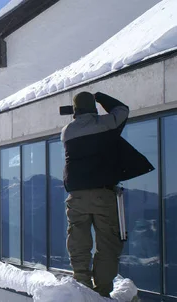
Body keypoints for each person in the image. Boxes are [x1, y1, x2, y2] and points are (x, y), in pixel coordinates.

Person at [61, 91, 152, 297]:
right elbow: (122, 110)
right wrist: (100, 97)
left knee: (78, 240)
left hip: (76, 196)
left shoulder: (67, 131)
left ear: (75, 111)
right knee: (108, 243)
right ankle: (101, 291)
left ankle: (81, 285)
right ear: (93, 108)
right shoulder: (105, 124)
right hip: (102, 194)